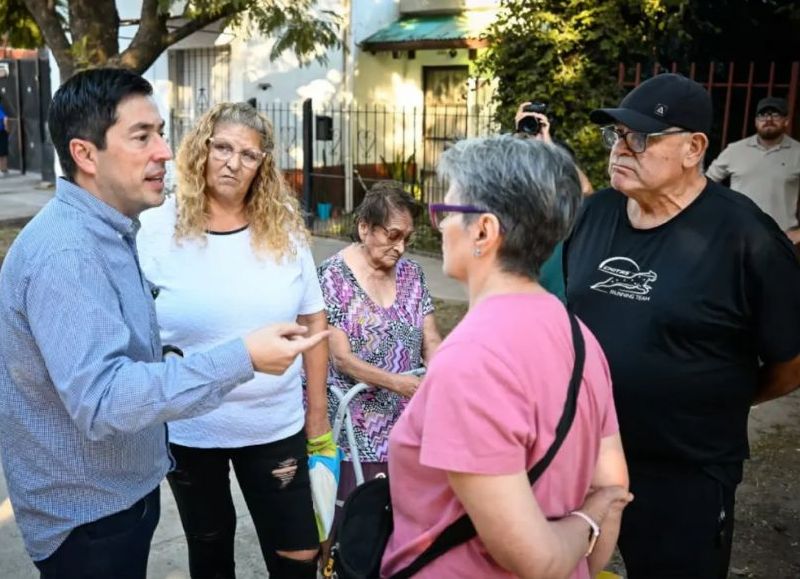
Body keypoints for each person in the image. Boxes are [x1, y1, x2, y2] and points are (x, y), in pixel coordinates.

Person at [0, 69, 327, 579]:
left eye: (161, 133)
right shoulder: (70, 252)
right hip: (90, 518)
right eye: (142, 136)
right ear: (86, 155)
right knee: (209, 549)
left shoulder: (113, 234)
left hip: (123, 496)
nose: (165, 152)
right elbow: (105, 398)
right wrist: (241, 355)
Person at [564, 73, 800, 578]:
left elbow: (791, 360)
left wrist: (724, 397)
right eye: (616, 135)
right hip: (585, 455)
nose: (620, 149)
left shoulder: (745, 236)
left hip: (685, 472)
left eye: (641, 138)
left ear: (694, 148)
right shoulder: (596, 214)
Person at [381, 135, 631, 579]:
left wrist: (587, 517)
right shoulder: (581, 338)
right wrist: (588, 533)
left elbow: (535, 560)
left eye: (446, 213)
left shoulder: (470, 360)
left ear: (483, 230)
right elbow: (612, 486)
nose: (438, 226)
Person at [137, 101, 329, 579]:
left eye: (248, 154)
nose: (231, 162)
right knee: (210, 548)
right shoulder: (156, 227)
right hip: (190, 428)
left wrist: (318, 416)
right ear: (201, 150)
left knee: (299, 555)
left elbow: (314, 321)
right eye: (221, 147)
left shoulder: (284, 231)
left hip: (272, 425)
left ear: (262, 165)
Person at [317, 181, 442, 505]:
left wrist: (443, 374)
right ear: (364, 228)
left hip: (408, 420)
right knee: (360, 520)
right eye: (393, 235)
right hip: (354, 425)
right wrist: (398, 384)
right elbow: (342, 359)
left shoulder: (412, 274)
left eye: (407, 238)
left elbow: (430, 338)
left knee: (408, 515)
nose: (400, 248)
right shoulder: (332, 277)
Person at [514, 102, 593, 301]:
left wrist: (550, 147)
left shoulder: (569, 220)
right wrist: (519, 136)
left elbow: (585, 190)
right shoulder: (516, 210)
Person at [707, 96, 800, 236]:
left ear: (786, 121)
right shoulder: (735, 150)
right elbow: (706, 184)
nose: (768, 120)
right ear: (756, 122)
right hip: (736, 233)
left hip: (780, 237)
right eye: (762, 115)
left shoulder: (798, 152)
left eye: (775, 115)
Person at [0, 94, 9, 176]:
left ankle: (3, 169)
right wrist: (6, 128)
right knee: (3, 151)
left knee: (2, 152)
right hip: (2, 132)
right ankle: (3, 169)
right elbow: (5, 118)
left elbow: (5, 118)